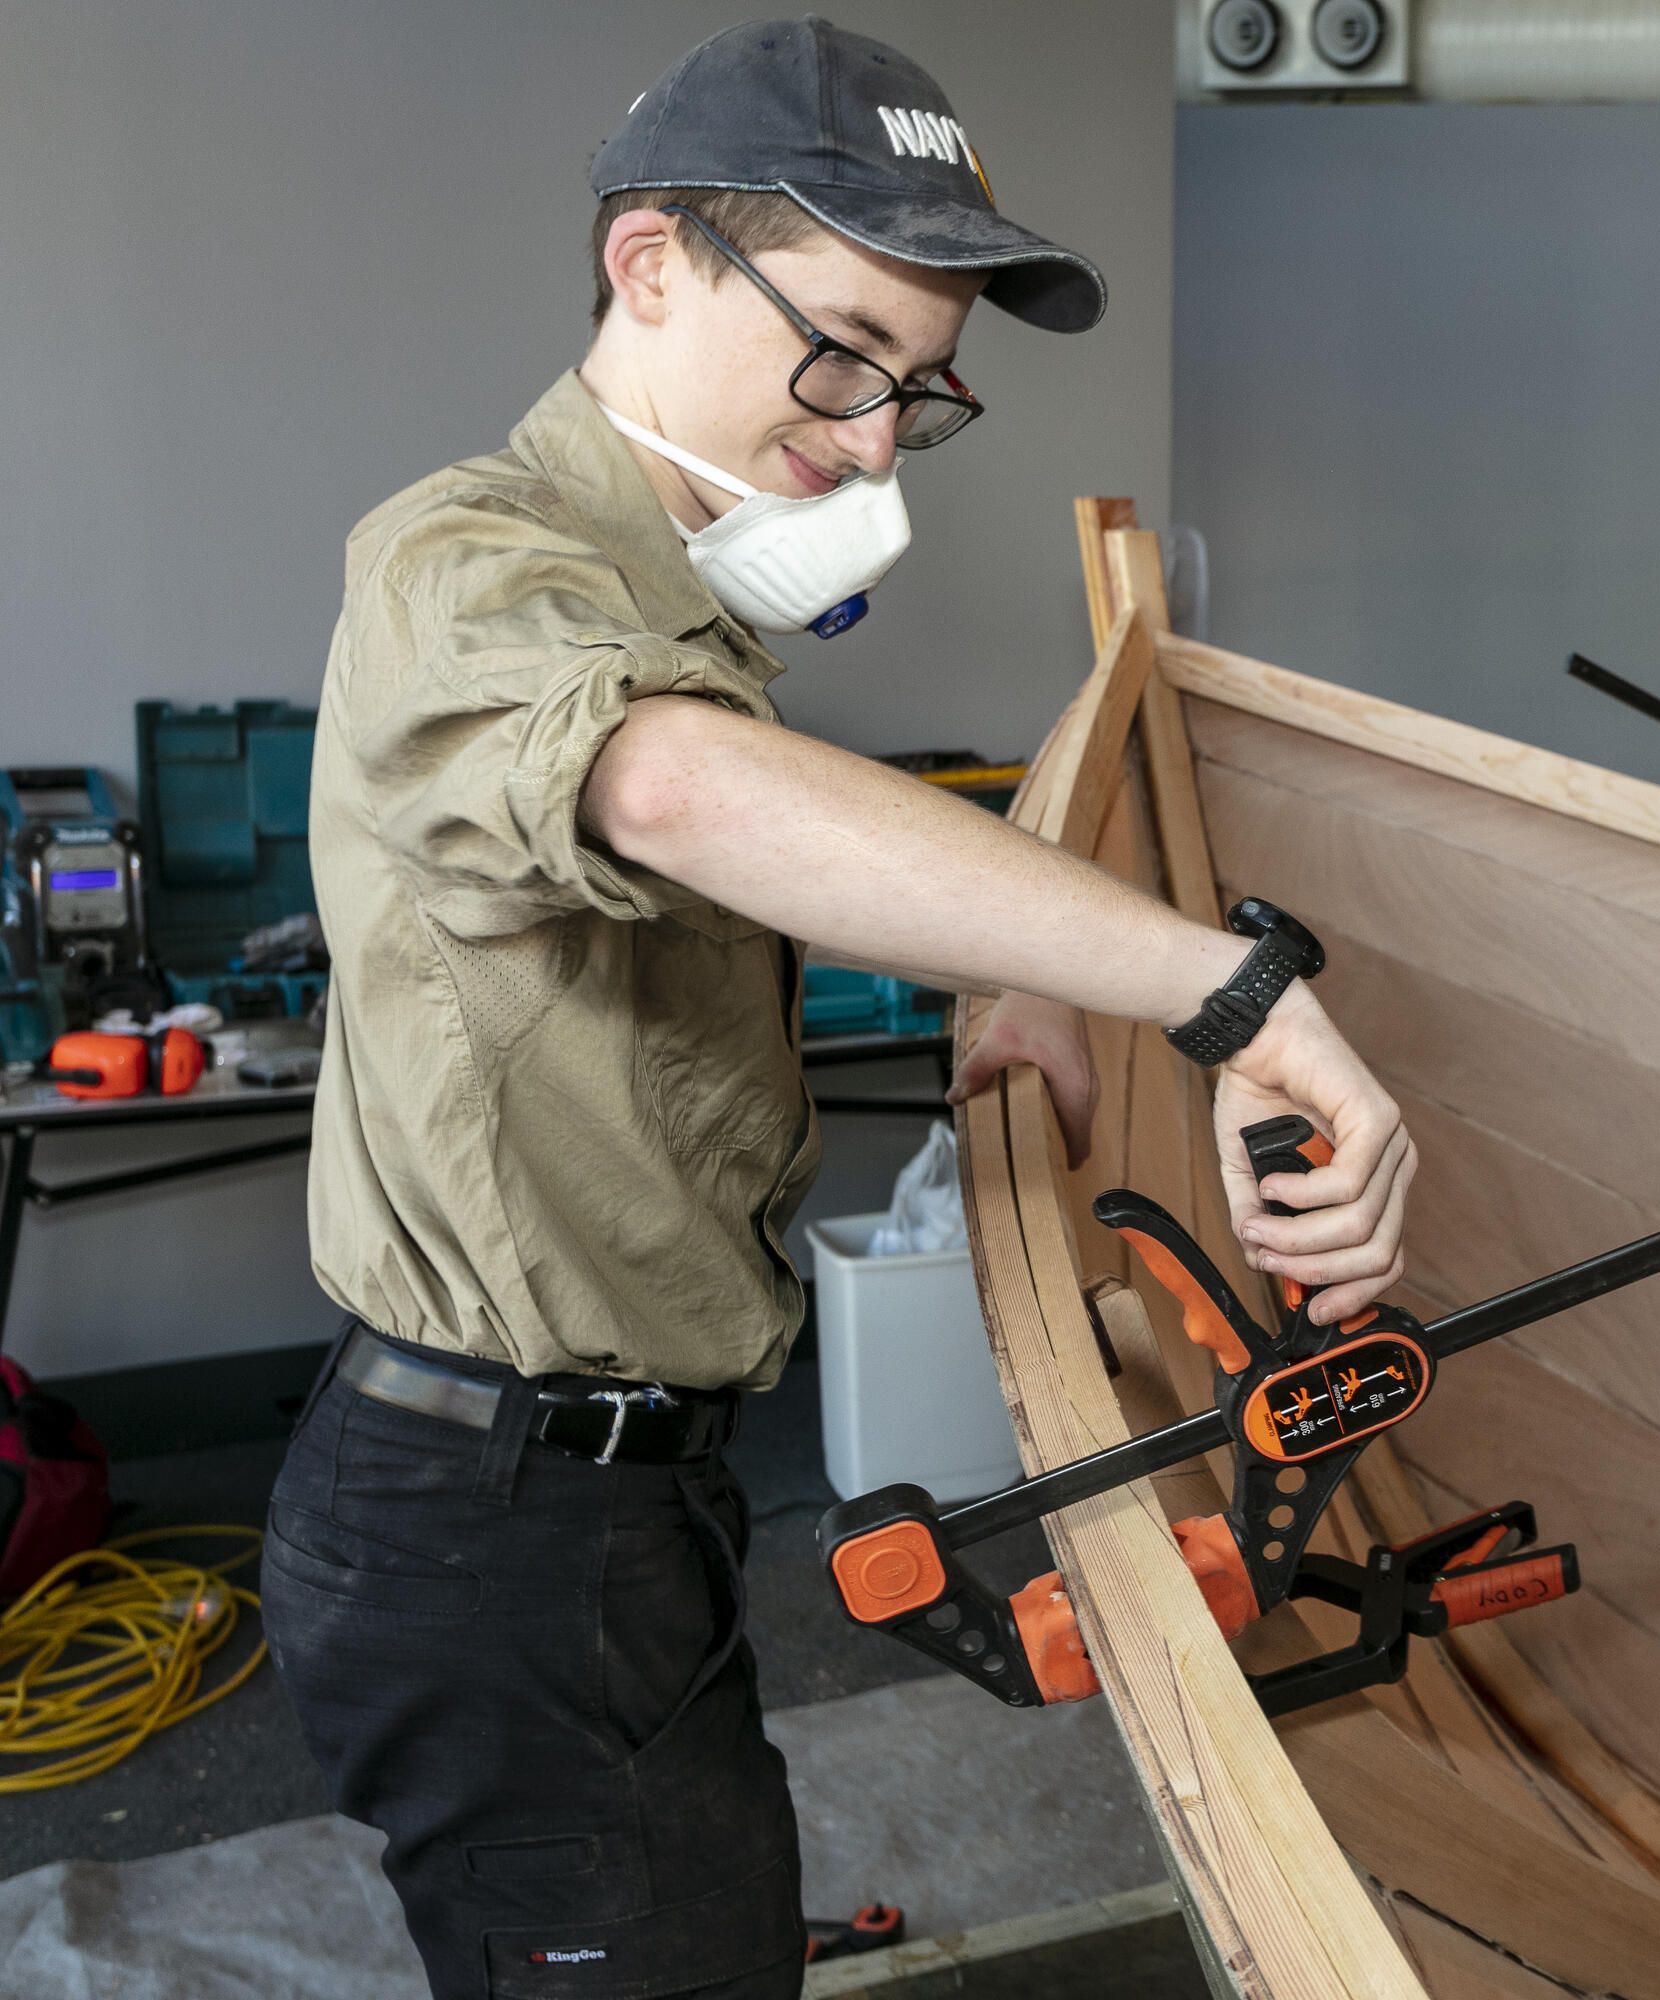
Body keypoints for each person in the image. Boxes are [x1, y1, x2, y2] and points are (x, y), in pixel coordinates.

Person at [259, 20, 1416, 1996]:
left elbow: (728, 871)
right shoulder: (473, 562)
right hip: (494, 1528)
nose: (879, 437)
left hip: (621, 1497)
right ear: (648, 266)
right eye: (847, 354)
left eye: (922, 389)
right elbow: (673, 789)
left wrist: (998, 957)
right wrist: (1233, 998)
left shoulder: (674, 612)